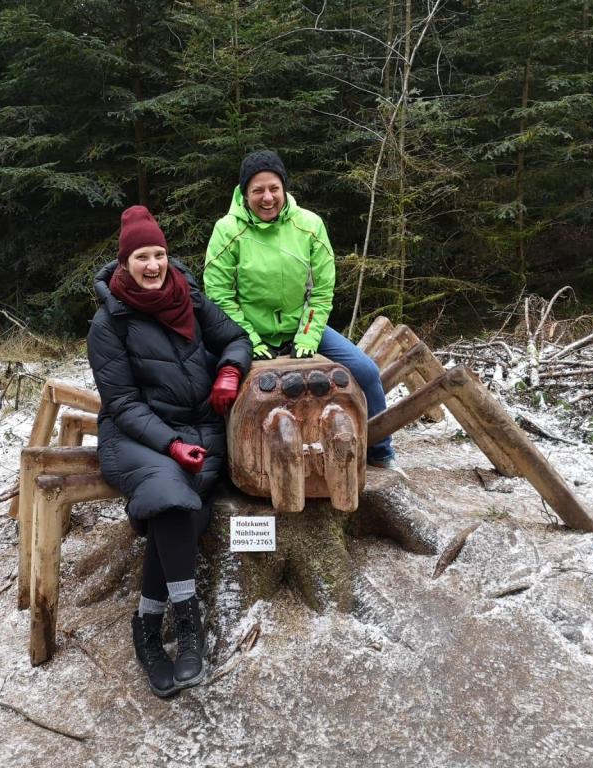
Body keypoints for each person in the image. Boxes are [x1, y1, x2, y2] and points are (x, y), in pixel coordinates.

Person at [88, 205, 252, 697]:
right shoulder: (109, 323)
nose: (154, 265)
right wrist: (171, 444)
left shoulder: (190, 297)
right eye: (142, 257)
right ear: (125, 263)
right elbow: (122, 403)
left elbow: (236, 338)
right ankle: (187, 624)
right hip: (136, 435)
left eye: (159, 254)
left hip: (200, 430)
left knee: (185, 512)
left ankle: (146, 625)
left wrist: (230, 371)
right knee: (170, 494)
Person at [204, 149, 401, 472]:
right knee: (201, 378)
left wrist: (308, 334)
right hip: (245, 333)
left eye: (274, 188)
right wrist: (248, 338)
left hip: (302, 327)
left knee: (366, 372)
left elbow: (321, 289)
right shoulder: (227, 230)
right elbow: (220, 294)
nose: (267, 198)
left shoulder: (309, 225)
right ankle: (217, 460)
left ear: (284, 188)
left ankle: (380, 450)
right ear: (244, 193)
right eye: (257, 190)